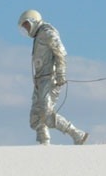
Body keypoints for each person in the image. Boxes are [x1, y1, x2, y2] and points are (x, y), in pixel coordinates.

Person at [18, 9, 89, 145]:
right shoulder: (39, 35)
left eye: (26, 25)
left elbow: (60, 52)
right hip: (40, 81)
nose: (26, 29)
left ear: (33, 21)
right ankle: (44, 144)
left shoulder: (46, 32)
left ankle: (77, 134)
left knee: (47, 115)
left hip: (50, 79)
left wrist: (61, 73)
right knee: (35, 118)